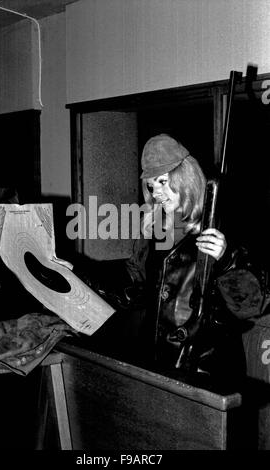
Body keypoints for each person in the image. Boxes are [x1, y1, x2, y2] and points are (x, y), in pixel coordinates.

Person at [73, 134, 265, 389]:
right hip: (155, 364)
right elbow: (131, 290)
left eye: (163, 182)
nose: (157, 193)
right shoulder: (151, 232)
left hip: (206, 371)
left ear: (184, 179)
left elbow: (253, 305)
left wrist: (227, 260)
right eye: (151, 186)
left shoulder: (222, 227)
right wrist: (77, 273)